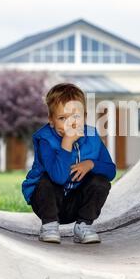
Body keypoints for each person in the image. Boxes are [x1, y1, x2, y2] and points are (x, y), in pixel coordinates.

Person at [21, 82, 116, 244]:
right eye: (62, 118)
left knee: (100, 181)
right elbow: (58, 177)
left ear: (85, 117)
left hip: (76, 203)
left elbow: (111, 171)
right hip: (47, 202)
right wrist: (67, 143)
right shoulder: (46, 139)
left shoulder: (92, 135)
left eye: (76, 117)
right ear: (51, 120)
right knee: (45, 181)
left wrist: (91, 164)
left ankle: (83, 226)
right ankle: (49, 226)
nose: (69, 124)